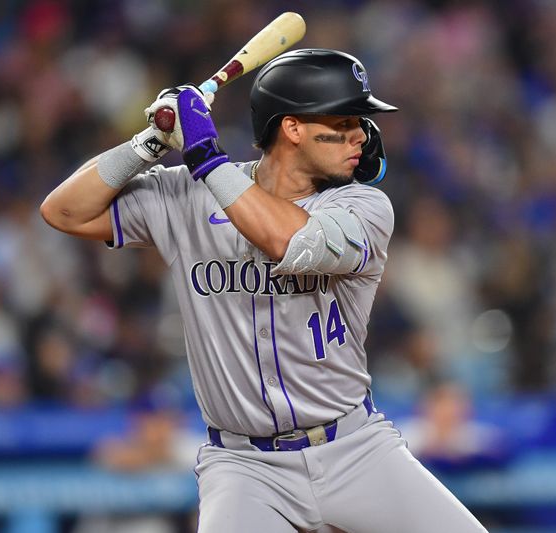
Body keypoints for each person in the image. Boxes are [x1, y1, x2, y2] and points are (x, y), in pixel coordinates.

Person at [41, 48, 487, 533]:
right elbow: (63, 212)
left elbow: (289, 240)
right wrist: (149, 141)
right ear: (292, 128)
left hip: (354, 449)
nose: (361, 135)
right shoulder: (187, 195)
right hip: (244, 467)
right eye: (344, 121)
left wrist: (207, 158)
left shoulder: (364, 205)